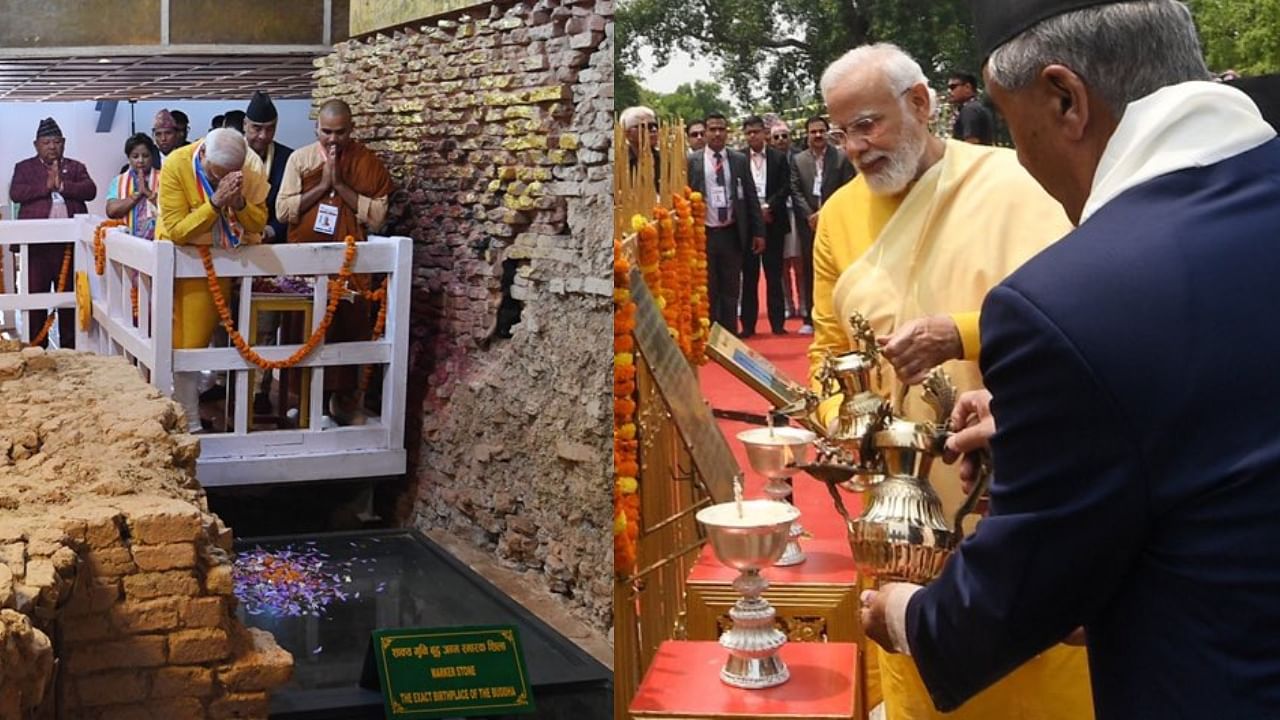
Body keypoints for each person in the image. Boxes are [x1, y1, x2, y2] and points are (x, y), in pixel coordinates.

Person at [859, 2, 1280, 718]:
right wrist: (1076, 415)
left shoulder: (1067, 302)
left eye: (1012, 120)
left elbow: (1006, 604)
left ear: (1064, 100)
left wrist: (907, 615)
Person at [811, 43, 1092, 720]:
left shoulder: (1019, 182)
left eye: (869, 124)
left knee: (1038, 659)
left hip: (1013, 478)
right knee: (919, 670)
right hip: (902, 504)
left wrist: (961, 332)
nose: (855, 146)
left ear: (921, 104)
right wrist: (843, 420)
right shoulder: (839, 218)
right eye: (841, 132)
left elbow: (1083, 317)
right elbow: (827, 353)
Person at [277, 99, 395, 424]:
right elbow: (283, 210)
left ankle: (341, 404)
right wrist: (323, 186)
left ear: (351, 129)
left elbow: (378, 218)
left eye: (340, 133)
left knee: (347, 329)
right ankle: (303, 404)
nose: (333, 140)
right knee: (303, 332)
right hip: (305, 268)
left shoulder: (365, 163)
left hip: (351, 268)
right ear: (317, 128)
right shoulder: (300, 160)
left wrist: (341, 185)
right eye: (326, 132)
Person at [156, 128, 269, 433]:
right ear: (202, 152)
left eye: (227, 175)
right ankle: (187, 420)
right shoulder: (177, 164)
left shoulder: (251, 167)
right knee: (181, 343)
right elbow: (178, 230)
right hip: (181, 261)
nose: (221, 179)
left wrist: (241, 204)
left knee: (201, 341)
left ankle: (192, 415)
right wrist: (216, 202)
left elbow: (259, 223)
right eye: (216, 173)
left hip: (226, 261)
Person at [9, 117, 97, 348]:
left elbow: (90, 190)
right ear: (36, 145)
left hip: (69, 246)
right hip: (36, 247)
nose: (52, 147)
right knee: (35, 297)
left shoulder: (75, 167)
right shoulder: (24, 167)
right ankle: (37, 346)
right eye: (46, 142)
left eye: (56, 142)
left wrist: (62, 186)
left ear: (64, 143)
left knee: (69, 296)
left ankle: (70, 347)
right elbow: (16, 193)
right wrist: (45, 187)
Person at [687, 112, 765, 337]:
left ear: (727, 132)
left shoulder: (739, 160)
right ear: (706, 132)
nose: (717, 133)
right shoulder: (693, 161)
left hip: (732, 232)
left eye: (721, 129)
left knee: (731, 287)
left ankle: (730, 334)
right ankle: (710, 334)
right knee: (709, 286)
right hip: (705, 233)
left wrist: (758, 232)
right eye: (712, 129)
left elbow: (750, 195)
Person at [789, 116, 855, 334]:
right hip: (808, 225)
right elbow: (796, 190)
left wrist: (825, 213)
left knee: (838, 268)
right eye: (813, 132)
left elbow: (847, 188)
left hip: (835, 222)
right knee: (809, 269)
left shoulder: (841, 158)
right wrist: (810, 215)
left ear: (827, 133)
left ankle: (842, 315)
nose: (817, 135)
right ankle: (810, 318)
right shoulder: (798, 160)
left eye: (821, 131)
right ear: (807, 135)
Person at [738, 115, 791, 336]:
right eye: (749, 132)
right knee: (749, 276)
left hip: (774, 221)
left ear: (764, 133)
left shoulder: (779, 158)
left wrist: (770, 206)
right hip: (749, 225)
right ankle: (748, 325)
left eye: (757, 131)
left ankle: (778, 324)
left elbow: (786, 186)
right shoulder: (738, 158)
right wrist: (754, 213)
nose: (753, 136)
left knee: (774, 274)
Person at [244, 91, 294, 244]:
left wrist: (271, 230)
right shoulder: (229, 155)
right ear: (244, 124)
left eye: (270, 129)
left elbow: (293, 205)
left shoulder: (288, 158)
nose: (263, 136)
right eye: (257, 128)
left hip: (275, 241)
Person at [105, 133, 160, 240]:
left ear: (152, 156)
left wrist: (148, 193)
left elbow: (170, 209)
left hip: (158, 241)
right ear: (128, 158)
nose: (140, 160)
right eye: (135, 156)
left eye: (145, 156)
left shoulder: (164, 177)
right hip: (126, 241)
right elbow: (111, 211)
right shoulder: (118, 181)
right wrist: (137, 195)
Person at [946, 72, 995, 144]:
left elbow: (971, 142)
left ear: (967, 87)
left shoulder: (969, 110)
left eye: (953, 87)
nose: (949, 91)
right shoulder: (977, 107)